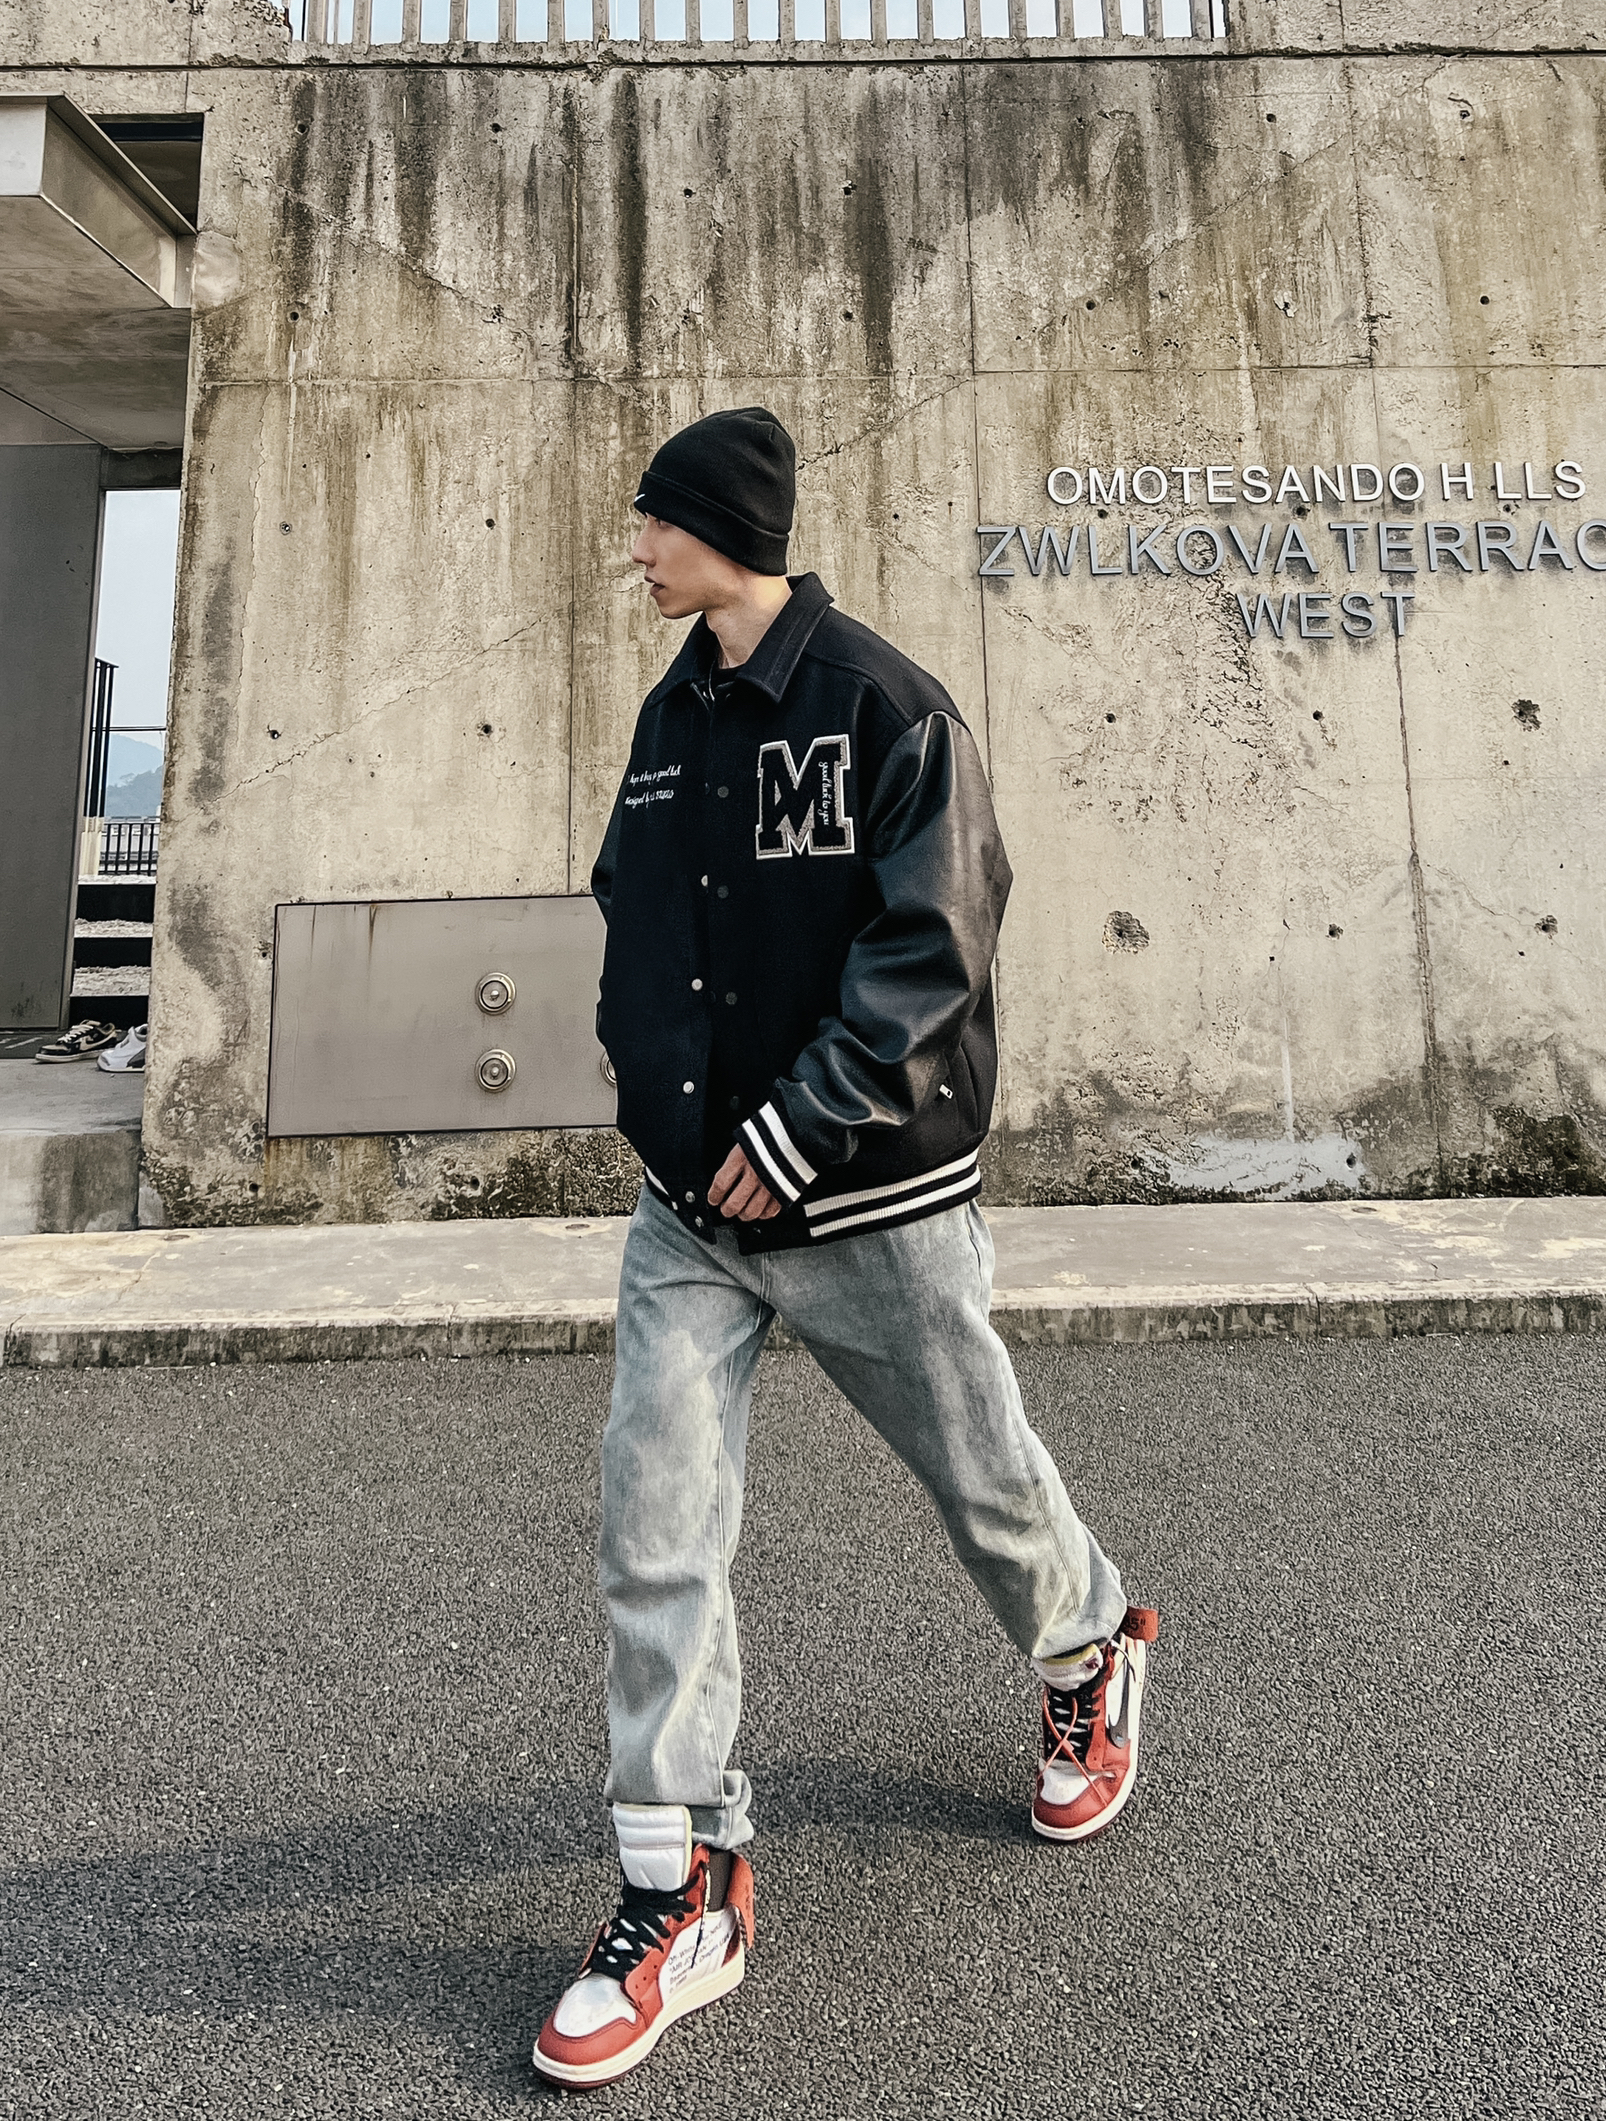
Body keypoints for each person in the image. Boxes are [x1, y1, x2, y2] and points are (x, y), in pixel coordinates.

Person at [533, 408, 1157, 2091]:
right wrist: (664, 1112)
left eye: (655, 522)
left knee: (981, 1476)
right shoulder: (671, 714)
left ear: (724, 528)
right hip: (690, 1211)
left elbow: (935, 938)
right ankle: (681, 1885)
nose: (634, 548)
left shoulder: (886, 704)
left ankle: (1086, 1644)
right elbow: (632, 911)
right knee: (652, 1524)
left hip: (869, 1196)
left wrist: (796, 1131)